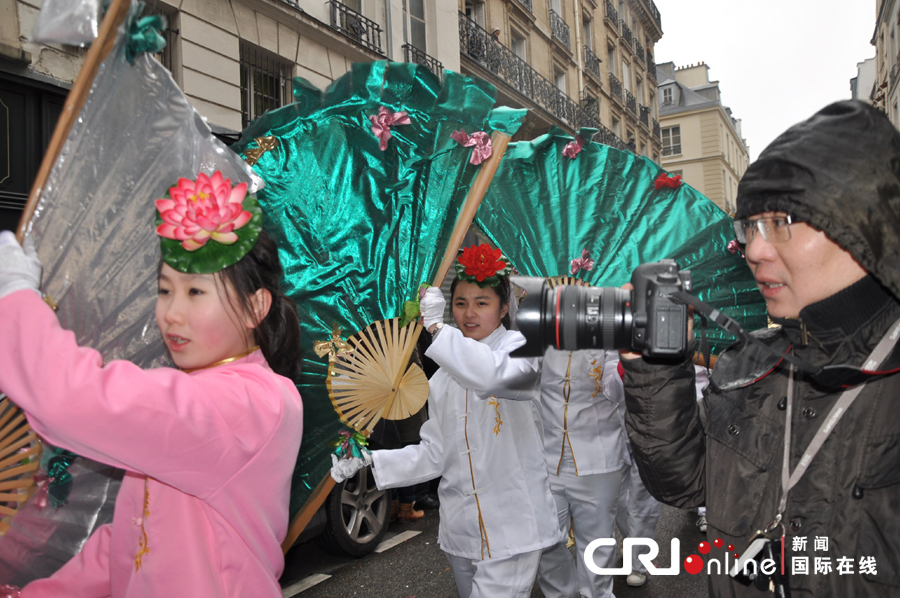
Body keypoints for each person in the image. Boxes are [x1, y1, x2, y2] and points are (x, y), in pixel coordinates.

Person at [619, 100, 900, 597]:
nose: (753, 250)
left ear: (864, 224)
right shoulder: (752, 361)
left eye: (782, 220)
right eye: (750, 226)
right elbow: (685, 484)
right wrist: (655, 369)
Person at [0, 171, 303, 597]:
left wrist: (14, 297)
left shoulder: (250, 402)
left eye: (195, 293)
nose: (171, 314)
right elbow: (130, 542)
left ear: (256, 307)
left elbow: (77, 400)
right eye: (164, 290)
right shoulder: (209, 392)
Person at [331, 244, 562, 598]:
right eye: (460, 303)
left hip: (514, 526)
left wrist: (438, 329)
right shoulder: (441, 378)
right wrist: (370, 462)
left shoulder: (521, 350)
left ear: (503, 309)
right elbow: (435, 453)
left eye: (481, 303)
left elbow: (491, 377)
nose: (469, 313)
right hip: (462, 530)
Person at [535, 348, 626, 598]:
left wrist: (629, 361)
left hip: (598, 460)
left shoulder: (609, 333)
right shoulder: (541, 332)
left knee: (597, 546)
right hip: (546, 457)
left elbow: (615, 390)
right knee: (545, 542)